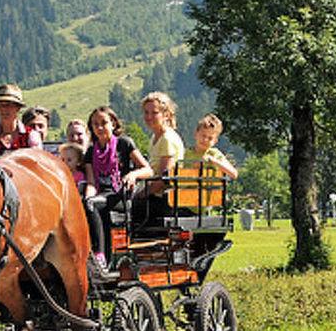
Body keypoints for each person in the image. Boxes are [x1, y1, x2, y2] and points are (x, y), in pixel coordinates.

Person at [77, 105, 151, 273]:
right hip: (101, 196)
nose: (100, 127)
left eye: (104, 123)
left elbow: (148, 169)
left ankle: (100, 256)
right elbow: (91, 182)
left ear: (113, 124)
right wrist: (87, 199)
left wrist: (133, 175)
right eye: (95, 124)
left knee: (92, 205)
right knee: (87, 205)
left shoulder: (124, 143)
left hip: (121, 196)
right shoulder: (90, 152)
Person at [171, 113, 239, 212]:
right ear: (196, 134)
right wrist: (192, 171)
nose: (205, 140)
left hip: (204, 201)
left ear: (215, 141)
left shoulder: (214, 154)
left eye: (210, 138)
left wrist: (214, 161)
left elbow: (233, 174)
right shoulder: (186, 154)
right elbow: (175, 176)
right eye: (203, 135)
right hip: (183, 202)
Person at [137, 91, 186, 230]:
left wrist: (141, 194)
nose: (149, 117)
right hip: (155, 194)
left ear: (166, 114)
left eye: (154, 113)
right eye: (146, 112)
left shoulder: (167, 139)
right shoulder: (154, 138)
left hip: (163, 198)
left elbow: (164, 179)